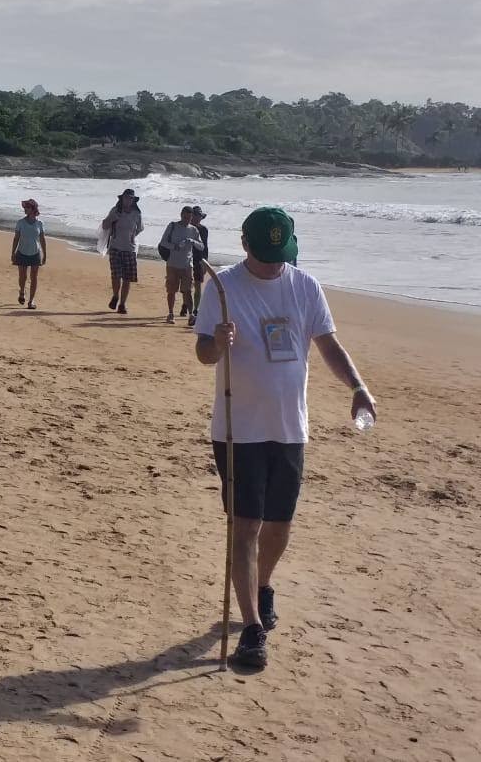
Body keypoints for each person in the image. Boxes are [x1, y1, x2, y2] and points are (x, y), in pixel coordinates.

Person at [194, 207, 377, 669]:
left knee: (279, 527)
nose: (275, 264)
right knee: (245, 526)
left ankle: (262, 584)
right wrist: (217, 341)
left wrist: (357, 387)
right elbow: (202, 354)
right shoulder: (222, 287)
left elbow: (328, 345)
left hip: (290, 428)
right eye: (266, 254)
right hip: (239, 431)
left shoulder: (305, 286)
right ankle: (252, 628)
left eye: (281, 254)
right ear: (245, 244)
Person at [158, 205, 205, 323]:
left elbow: (201, 246)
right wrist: (175, 246)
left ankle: (191, 315)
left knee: (187, 291)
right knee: (171, 290)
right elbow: (163, 242)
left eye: (189, 218)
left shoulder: (193, 230)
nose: (187, 220)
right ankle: (170, 313)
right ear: (181, 215)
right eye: (185, 217)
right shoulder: (173, 226)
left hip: (187, 265)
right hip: (172, 264)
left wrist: (192, 241)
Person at [101, 188, 144, 315]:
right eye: (126, 198)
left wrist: (133, 235)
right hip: (115, 247)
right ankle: (115, 296)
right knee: (116, 275)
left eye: (131, 198)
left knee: (127, 278)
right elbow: (104, 225)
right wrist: (112, 218)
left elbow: (141, 228)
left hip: (130, 249)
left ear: (133, 200)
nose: (128, 200)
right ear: (122, 198)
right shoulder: (115, 210)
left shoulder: (137, 213)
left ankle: (122, 304)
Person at [11, 199, 47, 309]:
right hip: (22, 252)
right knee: (22, 277)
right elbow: (16, 238)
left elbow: (42, 239)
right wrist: (13, 252)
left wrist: (45, 254)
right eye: (24, 207)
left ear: (33, 209)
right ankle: (22, 291)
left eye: (27, 207)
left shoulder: (39, 223)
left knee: (34, 278)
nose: (25, 209)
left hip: (35, 253)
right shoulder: (20, 222)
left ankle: (31, 301)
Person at [188, 205, 210, 326]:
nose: (197, 218)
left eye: (199, 216)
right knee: (186, 285)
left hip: (199, 259)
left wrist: (205, 261)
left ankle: (196, 309)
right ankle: (186, 305)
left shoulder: (204, 230)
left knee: (197, 284)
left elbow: (205, 246)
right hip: (186, 258)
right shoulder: (187, 228)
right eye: (195, 215)